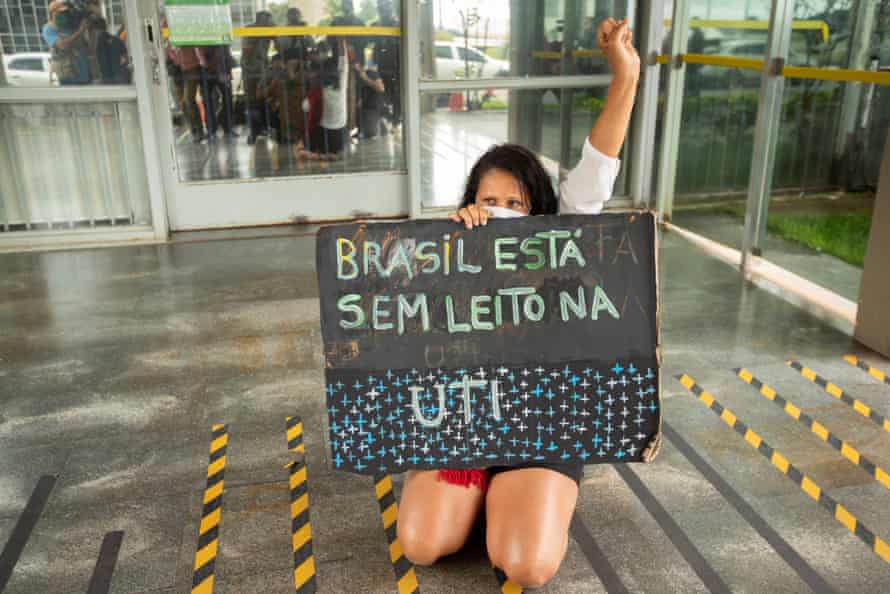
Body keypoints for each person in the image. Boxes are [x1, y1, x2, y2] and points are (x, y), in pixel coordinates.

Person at [396, 18, 639, 589]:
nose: (500, 209)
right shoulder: (454, 247)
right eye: (488, 200)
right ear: (470, 203)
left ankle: (522, 497)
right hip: (465, 420)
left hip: (541, 424)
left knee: (526, 565)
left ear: (540, 208)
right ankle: (478, 492)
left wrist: (623, 74)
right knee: (424, 545)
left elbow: (600, 163)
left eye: (515, 201)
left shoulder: (565, 234)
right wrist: (455, 250)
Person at [307, 40, 349, 159]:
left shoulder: (319, 83)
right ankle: (324, 155)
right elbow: (343, 58)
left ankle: (322, 154)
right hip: (336, 127)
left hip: (327, 127)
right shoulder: (341, 78)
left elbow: (343, 58)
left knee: (322, 152)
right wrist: (341, 39)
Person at [242, 11, 274, 144]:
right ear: (259, 20)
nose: (268, 23)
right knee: (251, 100)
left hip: (262, 69)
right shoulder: (249, 30)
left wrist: (274, 35)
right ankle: (253, 131)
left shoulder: (269, 31)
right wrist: (258, 36)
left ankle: (264, 128)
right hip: (250, 70)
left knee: (262, 98)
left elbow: (278, 46)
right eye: (267, 21)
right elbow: (246, 51)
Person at [42, 0, 91, 85]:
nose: (65, 14)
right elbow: (62, 45)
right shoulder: (49, 28)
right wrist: (80, 31)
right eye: (61, 12)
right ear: (53, 13)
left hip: (83, 74)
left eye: (66, 11)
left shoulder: (71, 25)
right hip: (68, 75)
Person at [372, 0, 400, 130]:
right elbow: (372, 44)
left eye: (385, 8)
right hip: (382, 67)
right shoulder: (377, 25)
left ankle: (395, 122)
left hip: (395, 67)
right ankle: (386, 121)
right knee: (381, 96)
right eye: (380, 9)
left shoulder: (397, 25)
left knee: (396, 97)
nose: (382, 11)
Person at [356, 60, 385, 138]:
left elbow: (381, 88)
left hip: (371, 110)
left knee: (370, 135)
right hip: (367, 111)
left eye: (356, 64)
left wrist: (365, 78)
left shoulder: (371, 73)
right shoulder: (360, 74)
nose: (355, 66)